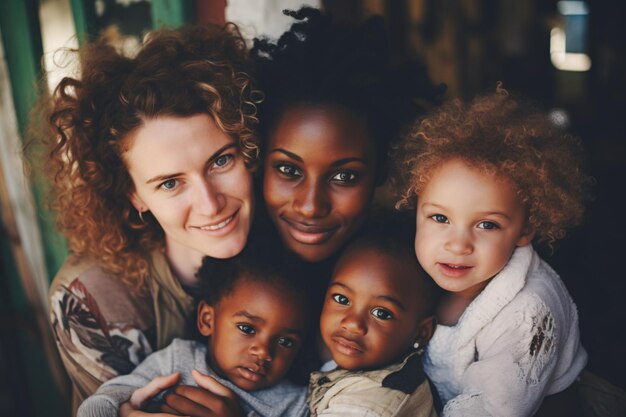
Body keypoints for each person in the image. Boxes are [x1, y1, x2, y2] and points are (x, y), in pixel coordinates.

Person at [36, 23, 259, 415]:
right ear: (135, 195)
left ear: (248, 147)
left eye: (222, 160)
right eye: (171, 183)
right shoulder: (93, 300)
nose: (210, 204)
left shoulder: (298, 249)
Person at [395, 86, 590, 417]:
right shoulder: (419, 271)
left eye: (487, 225)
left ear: (526, 229)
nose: (458, 245)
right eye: (440, 218)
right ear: (415, 209)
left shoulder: (528, 313)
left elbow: (493, 410)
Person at [252, 7, 442, 265]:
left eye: (344, 177)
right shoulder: (223, 266)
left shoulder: (411, 274)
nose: (311, 206)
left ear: (381, 170)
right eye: (288, 169)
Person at [77, 242, 311, 417]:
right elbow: (112, 394)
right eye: (246, 328)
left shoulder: (295, 404)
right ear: (207, 319)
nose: (263, 352)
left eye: (286, 342)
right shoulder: (178, 359)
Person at [308, 215, 439, 417]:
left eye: (381, 313)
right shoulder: (367, 359)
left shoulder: (370, 405)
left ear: (421, 333)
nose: (352, 324)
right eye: (342, 300)